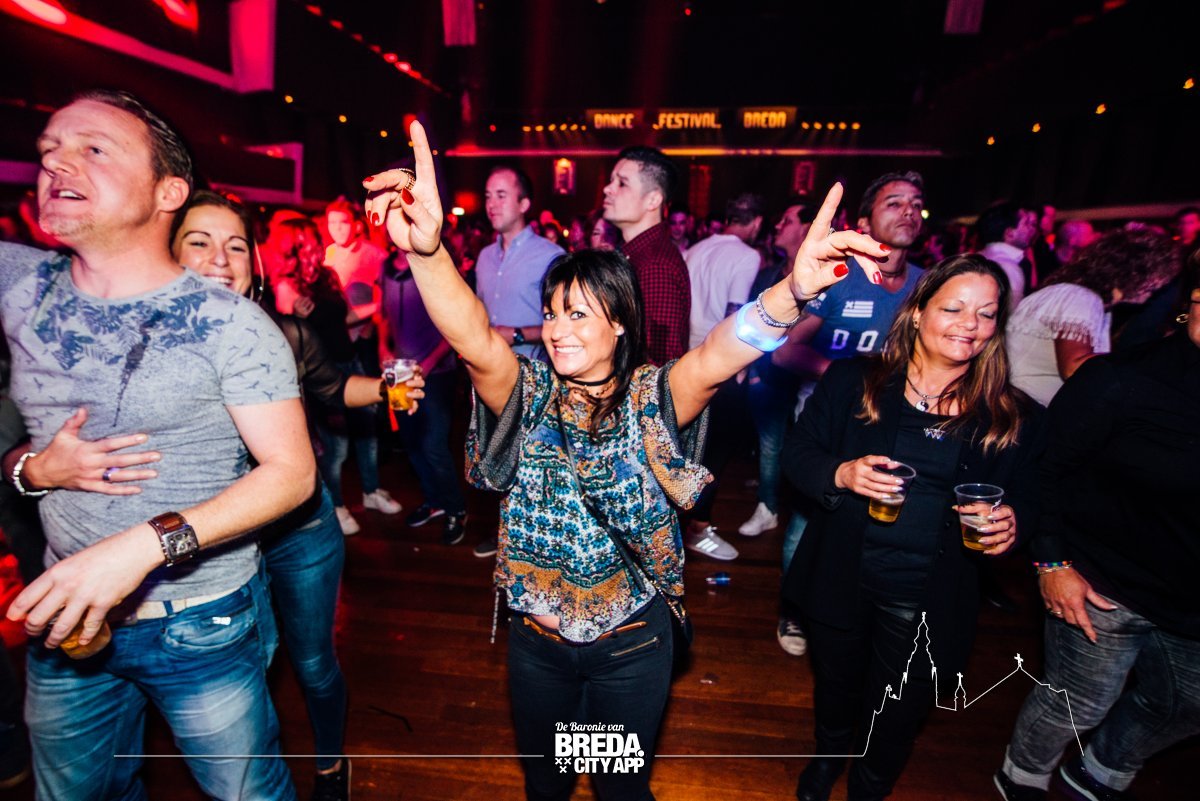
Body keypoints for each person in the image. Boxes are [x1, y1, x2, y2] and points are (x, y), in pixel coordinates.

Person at [362, 120, 887, 801]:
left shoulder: (654, 397)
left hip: (630, 649)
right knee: (548, 783)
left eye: (579, 314)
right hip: (538, 648)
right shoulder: (526, 393)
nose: (558, 329)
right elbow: (473, 337)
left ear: (618, 324)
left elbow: (720, 352)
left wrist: (791, 291)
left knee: (618, 787)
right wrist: (429, 254)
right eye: (553, 312)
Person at [1, 89, 312, 800]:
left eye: (94, 148)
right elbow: (13, 450)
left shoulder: (233, 323)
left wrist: (140, 548)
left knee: (246, 793)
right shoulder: (18, 284)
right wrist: (31, 470)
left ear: (168, 190)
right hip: (65, 617)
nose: (57, 163)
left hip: (197, 620)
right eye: (50, 149)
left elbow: (293, 474)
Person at [782, 254, 1044, 801]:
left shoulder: (1011, 416)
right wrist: (841, 473)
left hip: (930, 596)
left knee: (898, 708)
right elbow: (798, 454)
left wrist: (1014, 523)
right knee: (836, 686)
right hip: (842, 575)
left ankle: (870, 787)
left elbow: (1037, 497)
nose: (970, 324)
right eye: (954, 308)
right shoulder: (854, 382)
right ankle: (829, 757)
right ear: (918, 311)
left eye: (987, 313)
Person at [993, 259, 1200, 801]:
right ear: (1188, 303)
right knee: (1078, 702)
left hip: (1191, 597)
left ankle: (1103, 768)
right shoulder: (1122, 379)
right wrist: (1051, 562)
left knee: (1188, 703)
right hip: (1103, 583)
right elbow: (1045, 467)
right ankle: (1023, 774)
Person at [273, 217, 402, 534]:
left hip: (349, 361)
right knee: (336, 447)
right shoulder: (286, 284)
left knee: (368, 431)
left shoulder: (327, 276)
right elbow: (281, 337)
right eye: (311, 240)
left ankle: (371, 491)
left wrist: (378, 305)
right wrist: (294, 316)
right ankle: (337, 507)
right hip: (322, 373)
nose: (319, 244)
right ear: (297, 246)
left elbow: (344, 317)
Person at [1005, 228, 1180, 406]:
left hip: (1024, 405)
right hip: (1022, 410)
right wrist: (1142, 360)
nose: (1161, 284)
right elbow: (1073, 367)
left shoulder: (1086, 300)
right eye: (1159, 276)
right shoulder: (1081, 298)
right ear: (1136, 271)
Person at [602, 146, 691, 366]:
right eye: (611, 180)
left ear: (652, 200)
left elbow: (660, 360)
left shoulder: (656, 265)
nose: (607, 189)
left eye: (622, 183)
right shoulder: (633, 254)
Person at [977, 200, 1038, 310]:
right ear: (1010, 233)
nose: (1031, 229)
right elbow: (1011, 315)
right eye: (1025, 223)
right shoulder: (1009, 268)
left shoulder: (977, 258)